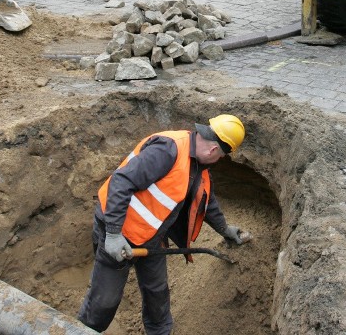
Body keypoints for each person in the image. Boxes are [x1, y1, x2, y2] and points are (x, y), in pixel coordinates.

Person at [78, 114, 251, 334]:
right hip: (119, 231)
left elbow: (205, 199)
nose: (218, 161)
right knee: (105, 301)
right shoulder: (168, 150)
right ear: (214, 151)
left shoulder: (198, 164)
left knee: (157, 293)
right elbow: (121, 181)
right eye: (221, 156)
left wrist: (225, 229)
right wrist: (112, 234)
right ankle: (82, 330)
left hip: (151, 238)